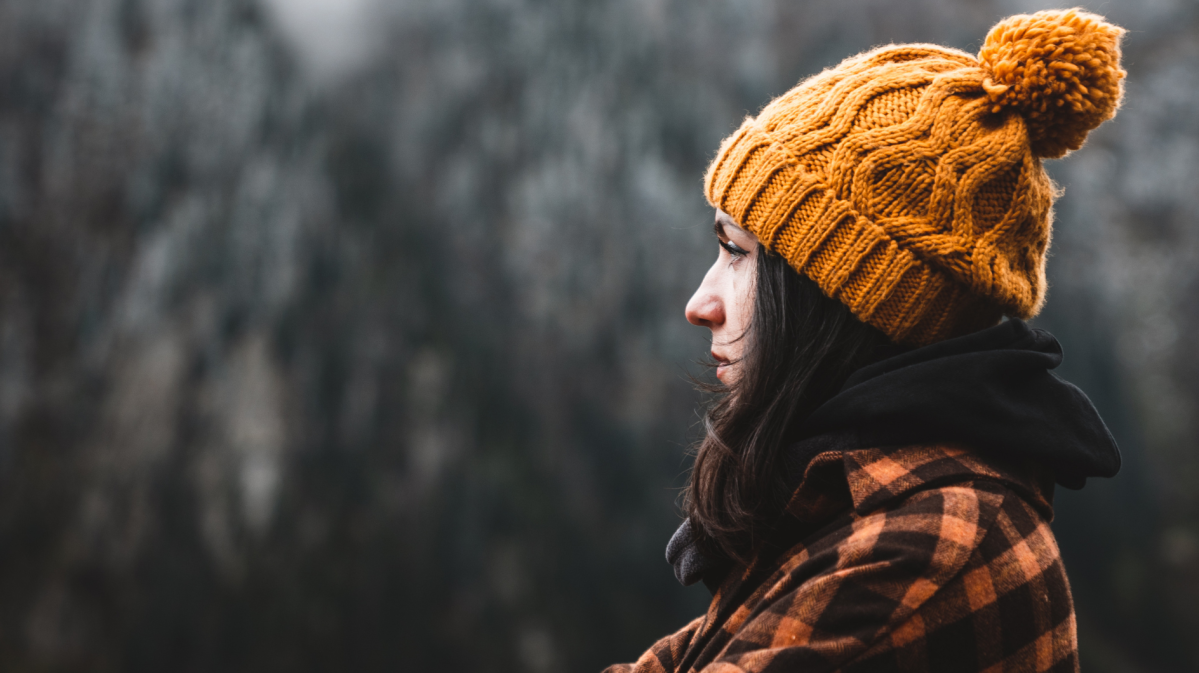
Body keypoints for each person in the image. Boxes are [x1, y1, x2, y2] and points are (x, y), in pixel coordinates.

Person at [606, 9, 1125, 672]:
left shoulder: (925, 554)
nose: (698, 304)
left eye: (735, 252)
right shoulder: (847, 506)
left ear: (847, 297)